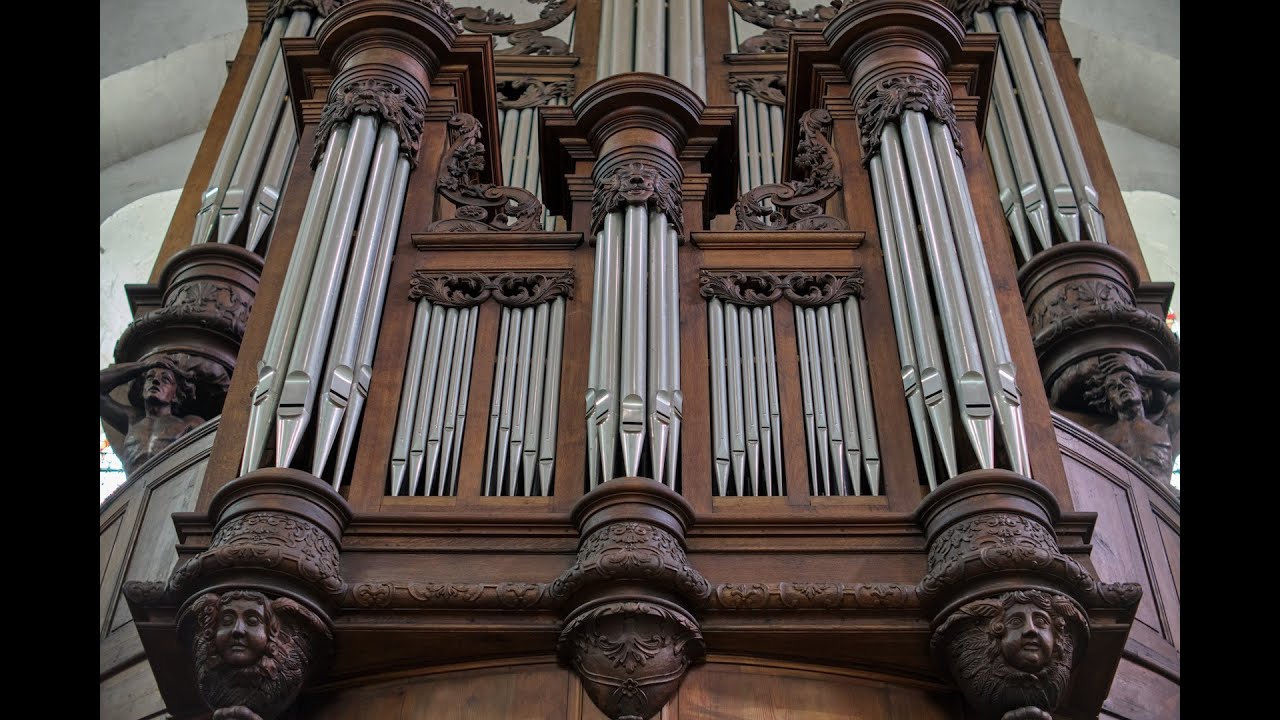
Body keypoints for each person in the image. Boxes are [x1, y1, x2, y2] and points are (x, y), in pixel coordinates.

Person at [1081, 352, 1180, 479]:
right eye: (1112, 386)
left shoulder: (1164, 427)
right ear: (1109, 401)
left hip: (1162, 494)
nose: (1121, 386)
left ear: (1141, 390)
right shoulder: (1100, 435)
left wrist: (1142, 372)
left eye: (1127, 380)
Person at [100, 355, 205, 474]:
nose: (155, 381)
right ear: (142, 389)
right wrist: (143, 365)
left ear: (176, 394)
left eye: (165, 379)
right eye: (150, 377)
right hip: (133, 488)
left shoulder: (189, 424)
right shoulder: (132, 420)